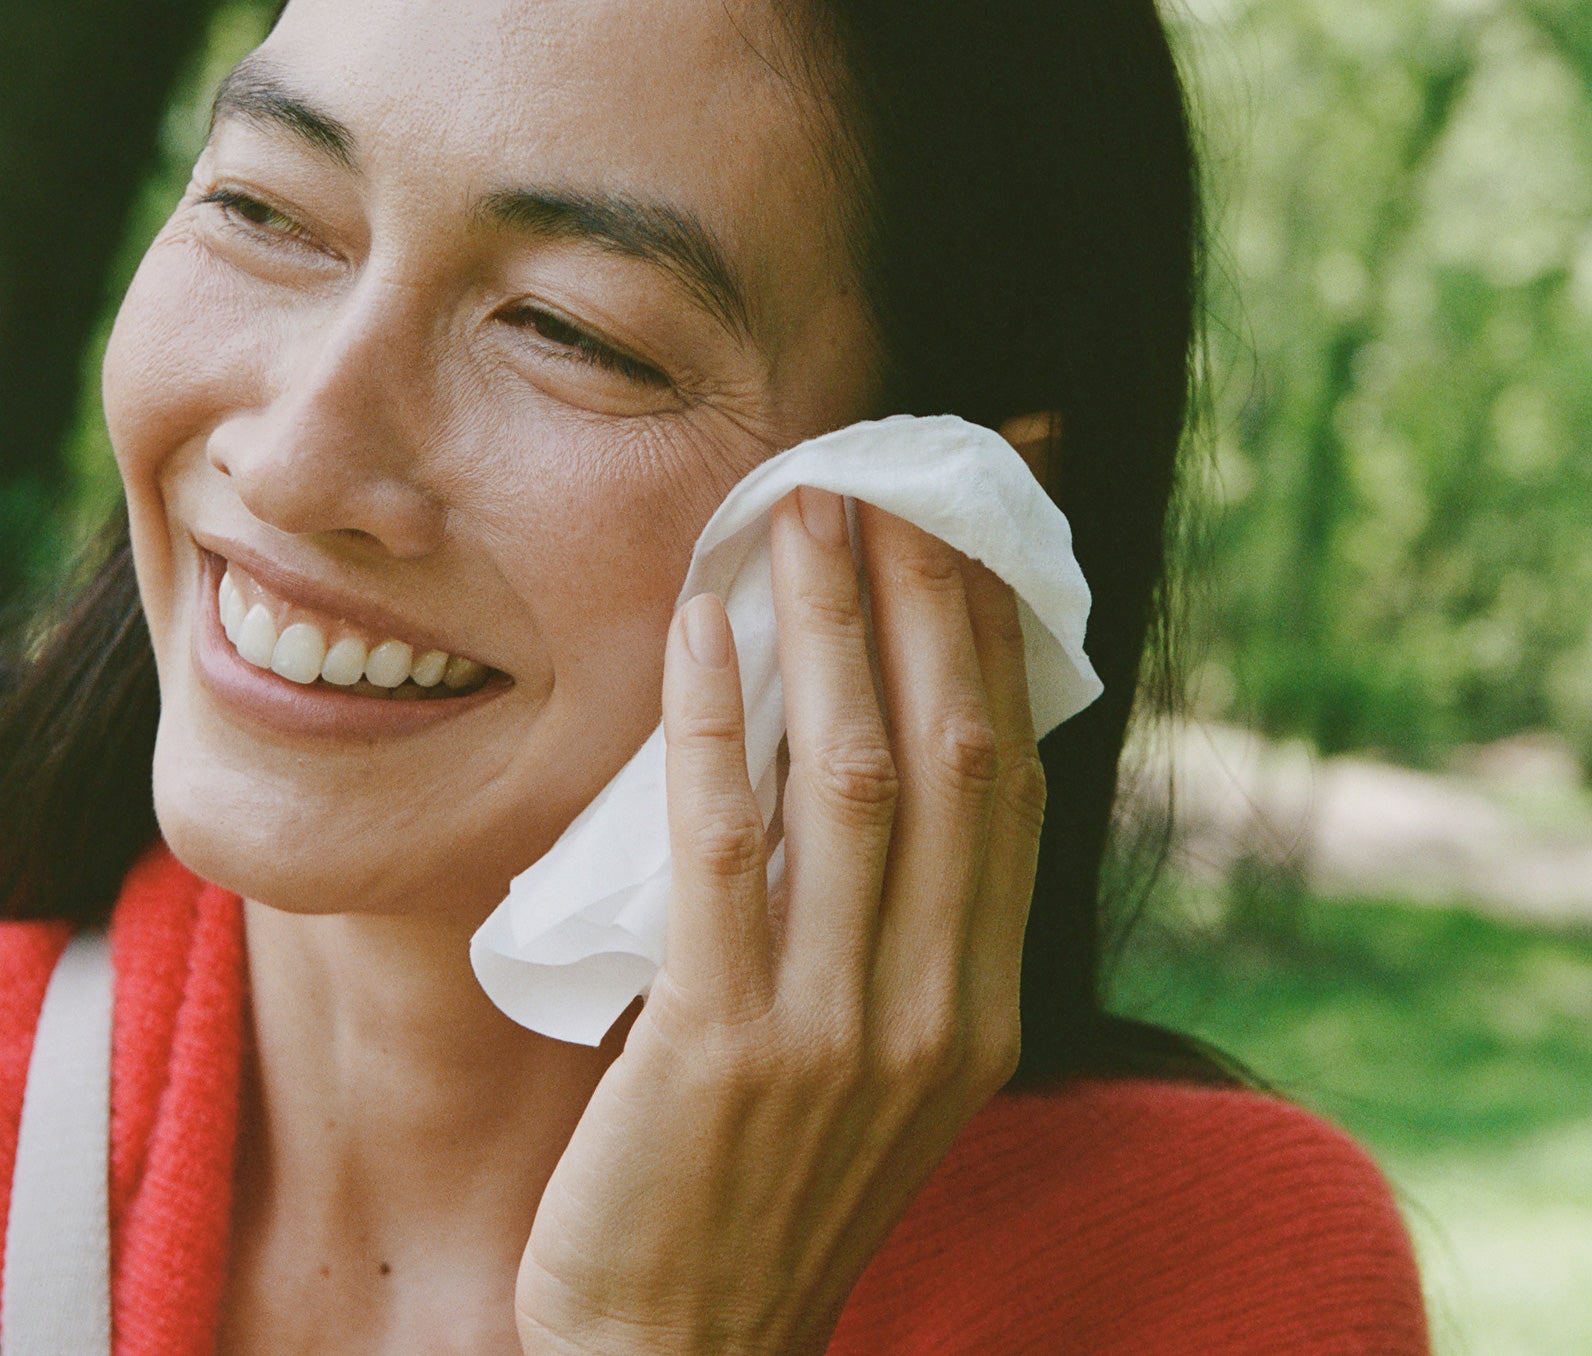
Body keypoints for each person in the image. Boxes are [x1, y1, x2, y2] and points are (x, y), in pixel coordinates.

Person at [0, 1, 1431, 1352]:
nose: (299, 462)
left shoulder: (1204, 1288)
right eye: (262, 210)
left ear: (943, 511)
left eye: (573, 331)